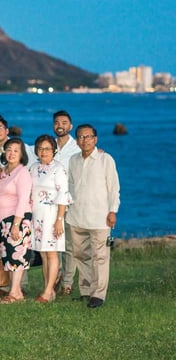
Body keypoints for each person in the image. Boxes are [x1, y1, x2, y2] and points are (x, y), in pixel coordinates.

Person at [67, 124, 120, 308]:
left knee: (100, 257)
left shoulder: (106, 159)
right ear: (77, 140)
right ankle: (86, 290)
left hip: (100, 217)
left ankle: (98, 295)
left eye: (88, 137)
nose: (85, 140)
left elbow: (114, 188)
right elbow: (69, 186)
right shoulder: (73, 160)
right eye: (81, 137)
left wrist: (113, 210)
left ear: (95, 139)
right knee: (80, 255)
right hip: (76, 215)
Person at [30, 134, 73, 303]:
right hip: (37, 216)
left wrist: (59, 220)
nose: (44, 151)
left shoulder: (58, 169)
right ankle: (48, 288)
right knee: (43, 253)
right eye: (40, 148)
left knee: (52, 253)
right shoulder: (33, 168)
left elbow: (63, 194)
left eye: (47, 148)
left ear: (54, 150)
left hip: (52, 216)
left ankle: (49, 291)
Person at [0, 137, 33, 304]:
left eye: (16, 151)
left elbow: (24, 199)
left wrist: (16, 225)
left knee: (17, 256)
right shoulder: (3, 172)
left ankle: (15, 292)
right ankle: (15, 291)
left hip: (18, 219)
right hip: (4, 221)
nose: (11, 153)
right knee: (9, 257)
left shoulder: (22, 172)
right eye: (9, 149)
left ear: (22, 154)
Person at [52, 110, 83, 297]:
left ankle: (67, 283)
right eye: (56, 122)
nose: (60, 125)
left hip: (70, 202)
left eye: (64, 122)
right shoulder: (48, 146)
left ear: (70, 126)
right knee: (54, 244)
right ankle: (54, 278)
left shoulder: (77, 147)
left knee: (70, 245)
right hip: (50, 204)